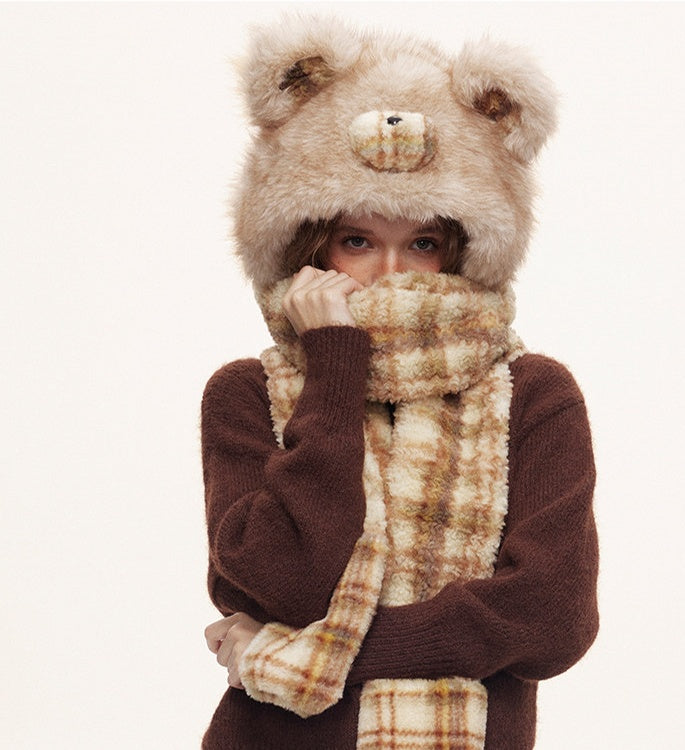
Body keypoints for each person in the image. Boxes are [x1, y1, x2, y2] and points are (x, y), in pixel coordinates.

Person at [200, 17, 598, 750]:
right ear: (311, 247)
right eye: (357, 240)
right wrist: (332, 368)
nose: (389, 272)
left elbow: (550, 620)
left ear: (460, 251)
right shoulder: (247, 395)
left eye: (421, 242)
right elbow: (285, 585)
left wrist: (292, 657)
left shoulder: (532, 395)